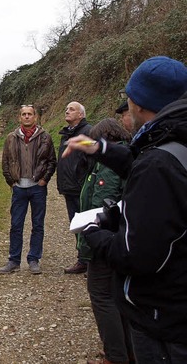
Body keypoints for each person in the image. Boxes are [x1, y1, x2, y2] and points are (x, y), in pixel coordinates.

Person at [64, 56, 187, 362]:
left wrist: (92, 231)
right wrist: (100, 148)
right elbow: (147, 159)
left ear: (140, 103)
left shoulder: (157, 165)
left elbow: (135, 256)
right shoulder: (174, 141)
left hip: (163, 321)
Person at [77, 119, 133, 364]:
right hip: (120, 240)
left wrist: (90, 234)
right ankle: (126, 351)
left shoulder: (109, 168)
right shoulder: (126, 158)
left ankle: (115, 355)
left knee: (101, 295)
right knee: (117, 295)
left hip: (107, 242)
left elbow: (103, 204)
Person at [0, 104, 57, 275]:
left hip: (37, 188)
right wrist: (11, 182)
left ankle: (33, 259)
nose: (26, 117)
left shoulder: (45, 137)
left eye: (29, 114)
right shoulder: (11, 137)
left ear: (35, 117)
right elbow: (5, 162)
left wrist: (44, 180)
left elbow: (52, 161)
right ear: (19, 117)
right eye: (23, 114)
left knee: (37, 225)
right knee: (16, 225)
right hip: (19, 189)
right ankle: (14, 260)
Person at [57, 101, 92, 274]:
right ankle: (83, 259)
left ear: (81, 115)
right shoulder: (66, 134)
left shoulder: (87, 133)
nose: (67, 111)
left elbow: (90, 157)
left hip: (81, 187)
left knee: (87, 225)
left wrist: (83, 180)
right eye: (66, 108)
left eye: (72, 109)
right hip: (69, 188)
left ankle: (89, 261)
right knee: (76, 225)